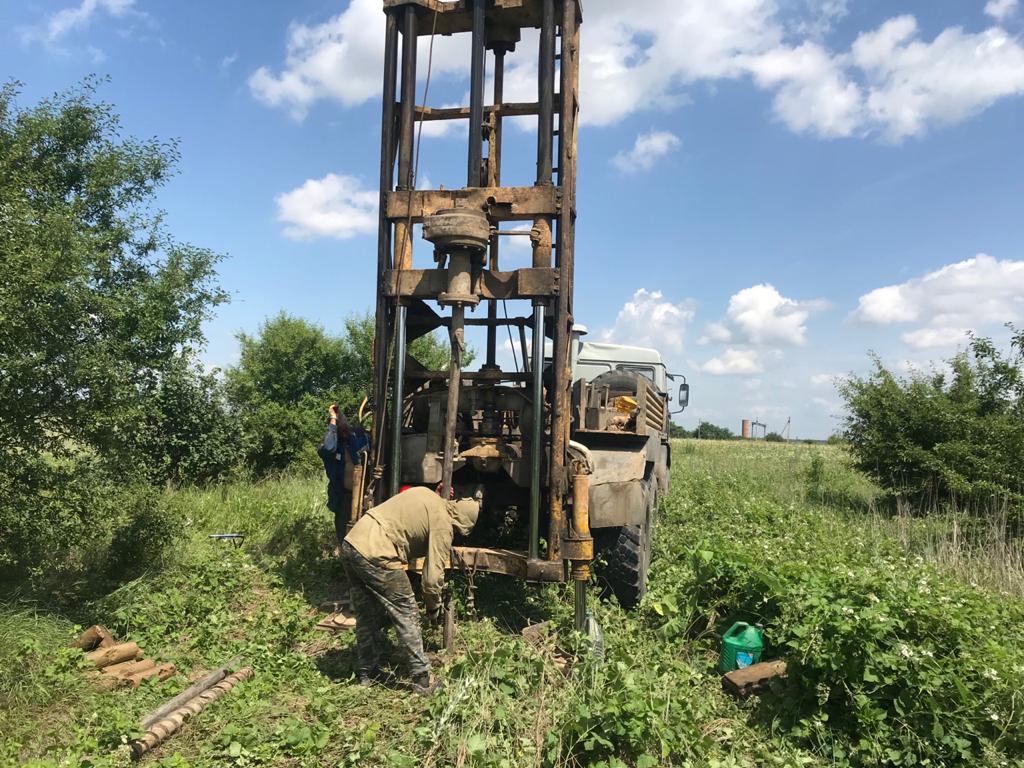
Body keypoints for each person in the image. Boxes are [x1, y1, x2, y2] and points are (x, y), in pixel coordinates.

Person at [341, 485, 482, 693]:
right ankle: (422, 680)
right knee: (406, 610)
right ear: (462, 522)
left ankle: (367, 673)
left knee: (367, 612)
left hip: (352, 543)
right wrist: (433, 609)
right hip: (378, 551)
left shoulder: (426, 494)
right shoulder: (443, 523)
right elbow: (432, 580)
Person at [317, 405, 370, 544]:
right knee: (344, 538)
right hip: (343, 498)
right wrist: (333, 420)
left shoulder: (356, 438)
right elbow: (328, 447)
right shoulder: (331, 448)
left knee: (364, 539)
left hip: (363, 497)